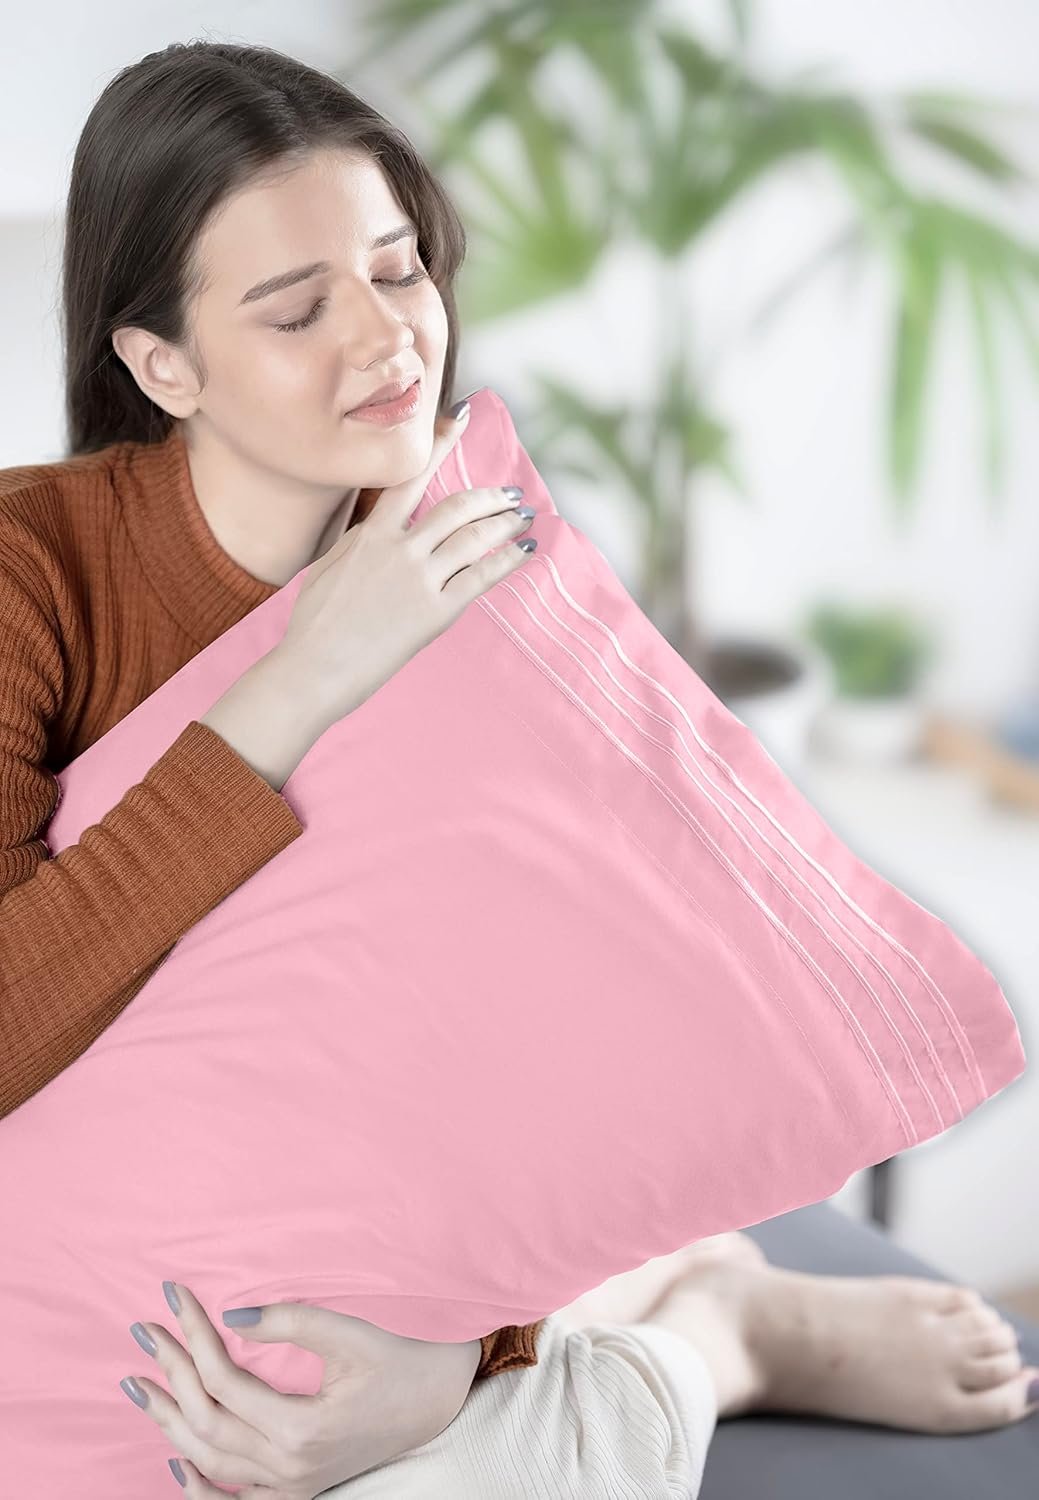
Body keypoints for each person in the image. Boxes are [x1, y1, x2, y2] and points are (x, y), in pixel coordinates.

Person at [1, 39, 1035, 1498]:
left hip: (358, 1224)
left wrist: (462, 1356)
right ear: (162, 364)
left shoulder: (478, 568)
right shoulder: (30, 575)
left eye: (400, 270)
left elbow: (522, 1048)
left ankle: (716, 1338)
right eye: (298, 309)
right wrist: (298, 682)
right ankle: (699, 1322)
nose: (389, 340)